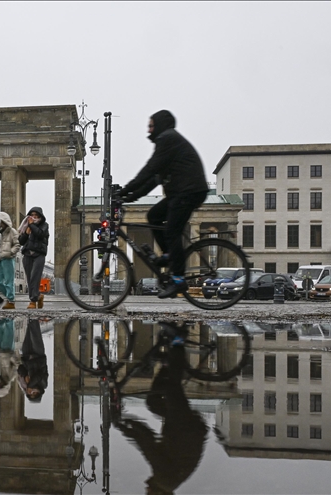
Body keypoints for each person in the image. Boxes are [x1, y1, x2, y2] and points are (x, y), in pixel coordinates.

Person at [117, 110, 209, 299]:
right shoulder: (168, 143)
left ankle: (178, 279)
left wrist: (124, 190)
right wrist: (129, 197)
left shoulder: (168, 139)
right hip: (182, 191)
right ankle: (168, 255)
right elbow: (153, 180)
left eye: (151, 125)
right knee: (154, 216)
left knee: (172, 231)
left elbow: (150, 169)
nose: (148, 129)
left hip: (189, 191)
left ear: (159, 125)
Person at [113, 324, 208, 494]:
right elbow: (148, 444)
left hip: (185, 427)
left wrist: (127, 425)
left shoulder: (172, 481)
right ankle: (178, 342)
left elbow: (148, 443)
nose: (145, 489)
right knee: (172, 388)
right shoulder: (165, 479)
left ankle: (166, 365)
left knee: (153, 402)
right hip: (184, 427)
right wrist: (123, 423)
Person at [18, 206, 50, 309]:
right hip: (27, 254)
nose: (33, 217)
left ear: (40, 216)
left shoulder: (44, 225)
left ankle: (33, 301)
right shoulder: (26, 226)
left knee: (34, 277)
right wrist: (26, 234)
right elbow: (21, 242)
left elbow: (40, 234)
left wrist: (31, 225)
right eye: (32, 215)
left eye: (36, 215)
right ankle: (38, 296)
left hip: (39, 254)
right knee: (29, 278)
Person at [17, 318, 48, 402]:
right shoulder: (44, 385)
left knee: (25, 334)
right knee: (35, 335)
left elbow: (20, 368)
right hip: (38, 356)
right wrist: (30, 385)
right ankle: (33, 317)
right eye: (35, 394)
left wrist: (24, 375)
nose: (32, 392)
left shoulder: (24, 385)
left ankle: (24, 318)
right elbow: (38, 376)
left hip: (27, 356)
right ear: (39, 392)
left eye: (31, 394)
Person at [0, 211, 19, 309]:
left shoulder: (12, 231)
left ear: (4, 222)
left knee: (9, 281)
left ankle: (11, 301)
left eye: (0, 222)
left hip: (8, 259)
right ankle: (9, 297)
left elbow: (17, 245)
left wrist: (10, 252)